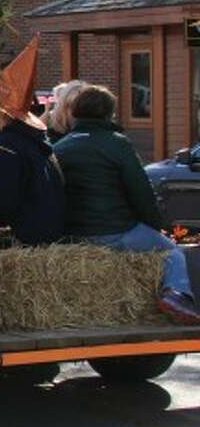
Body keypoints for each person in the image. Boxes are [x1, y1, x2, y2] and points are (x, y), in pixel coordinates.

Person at [55, 85, 200, 324]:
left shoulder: (60, 147)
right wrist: (156, 226)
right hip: (115, 230)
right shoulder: (117, 144)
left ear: (75, 113)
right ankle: (176, 295)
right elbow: (141, 191)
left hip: (73, 234)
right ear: (108, 114)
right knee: (173, 253)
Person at [0, 40, 65, 245]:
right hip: (47, 236)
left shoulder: (8, 149)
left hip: (27, 239)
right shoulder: (32, 142)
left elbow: (0, 206)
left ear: (0, 111)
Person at [45, 79, 84, 144]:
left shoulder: (91, 129)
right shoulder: (53, 125)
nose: (75, 111)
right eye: (71, 105)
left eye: (81, 107)